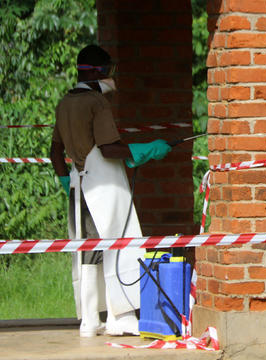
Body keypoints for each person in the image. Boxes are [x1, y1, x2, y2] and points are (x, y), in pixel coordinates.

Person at [50, 45, 173, 337]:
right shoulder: (96, 103)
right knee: (120, 245)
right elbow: (108, 149)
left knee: (88, 249)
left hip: (79, 186)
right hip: (104, 186)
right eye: (109, 70)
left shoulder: (65, 102)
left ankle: (90, 320)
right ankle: (122, 316)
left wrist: (64, 179)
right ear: (99, 72)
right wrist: (146, 150)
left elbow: (56, 151)